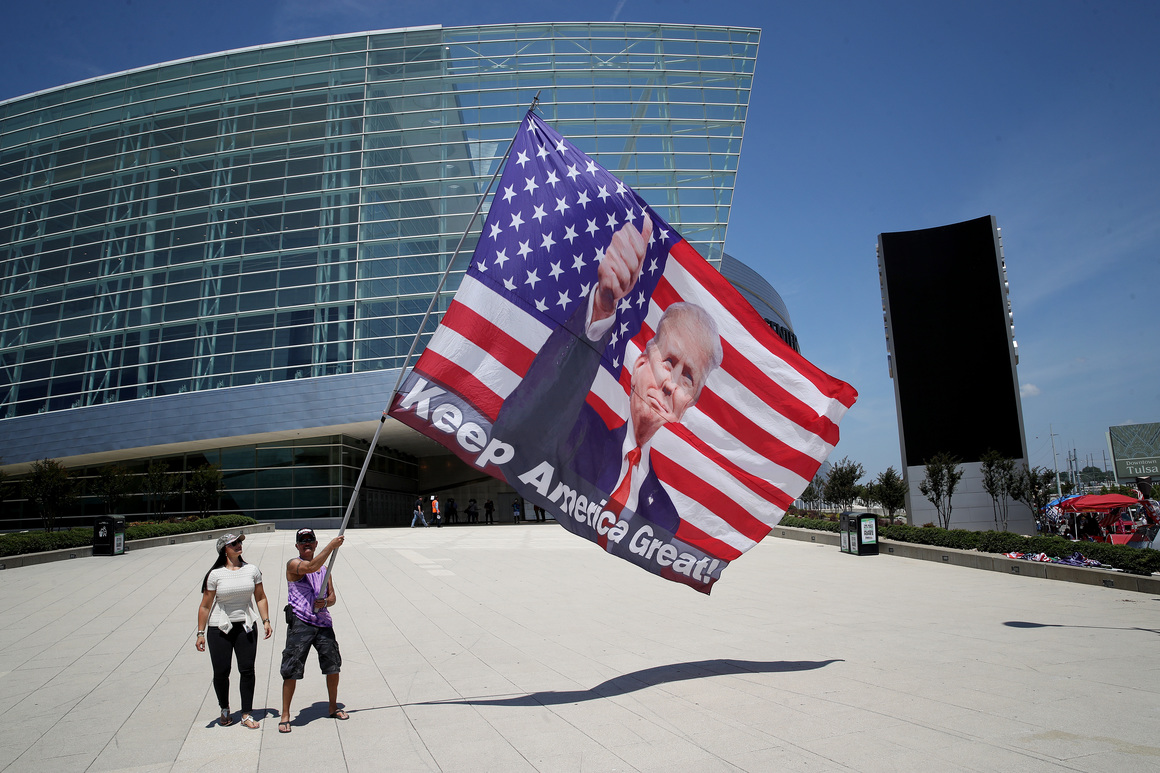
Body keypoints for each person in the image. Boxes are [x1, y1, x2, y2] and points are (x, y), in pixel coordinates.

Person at [492, 214, 722, 534]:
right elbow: (520, 433)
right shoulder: (578, 430)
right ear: (640, 363)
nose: (670, 383)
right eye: (668, 361)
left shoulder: (666, 517)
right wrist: (601, 306)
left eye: (688, 378)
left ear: (690, 403)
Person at [195, 533, 272, 729]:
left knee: (247, 670)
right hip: (219, 628)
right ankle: (224, 708)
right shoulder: (215, 574)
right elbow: (205, 605)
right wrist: (200, 633)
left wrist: (265, 621)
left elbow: (260, 597)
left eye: (240, 542)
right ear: (224, 549)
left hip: (245, 625)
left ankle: (246, 713)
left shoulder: (252, 570)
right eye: (234, 543)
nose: (239, 545)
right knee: (221, 672)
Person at [279, 528, 346, 733]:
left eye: (310, 540)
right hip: (301, 623)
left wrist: (324, 601)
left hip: (323, 623)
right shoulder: (294, 564)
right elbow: (309, 568)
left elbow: (333, 597)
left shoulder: (325, 570)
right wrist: (331, 546)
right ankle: (285, 715)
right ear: (297, 546)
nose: (307, 544)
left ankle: (333, 706)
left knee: (332, 665)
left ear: (315, 544)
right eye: (303, 541)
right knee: (292, 668)